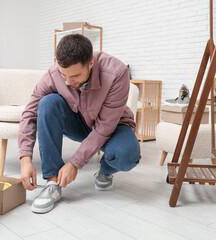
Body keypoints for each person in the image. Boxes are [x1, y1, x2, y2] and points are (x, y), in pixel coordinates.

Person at [18, 34, 141, 213]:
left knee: (127, 155)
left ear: (91, 63)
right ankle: (52, 183)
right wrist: (25, 159)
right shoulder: (54, 74)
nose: (68, 82)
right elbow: (30, 113)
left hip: (113, 126)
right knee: (47, 102)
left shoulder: (117, 73)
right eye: (64, 75)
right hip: (79, 122)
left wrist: (74, 164)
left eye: (75, 76)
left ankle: (105, 170)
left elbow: (104, 127)